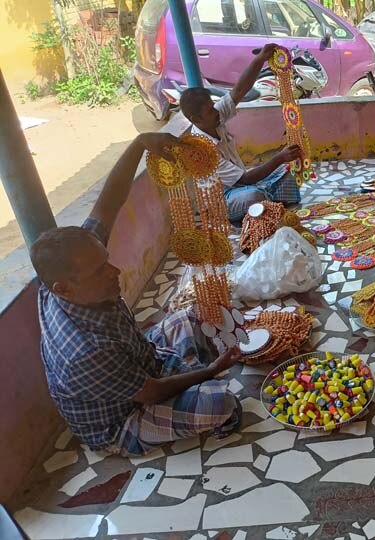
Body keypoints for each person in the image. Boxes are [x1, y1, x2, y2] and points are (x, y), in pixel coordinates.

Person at [31, 132, 244, 456]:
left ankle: (189, 373)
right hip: (121, 420)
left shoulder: (65, 272)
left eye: (106, 261)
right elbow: (151, 392)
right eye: (100, 272)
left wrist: (139, 143)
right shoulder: (85, 351)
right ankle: (195, 378)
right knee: (221, 403)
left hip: (141, 362)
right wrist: (211, 370)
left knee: (193, 315)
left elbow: (110, 202)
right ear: (64, 288)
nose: (114, 272)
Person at [180, 43, 302, 223]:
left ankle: (266, 205)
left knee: (285, 173)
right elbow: (244, 179)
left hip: (243, 183)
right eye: (209, 110)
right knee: (254, 195)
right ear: (195, 119)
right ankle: (264, 203)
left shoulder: (214, 116)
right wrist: (279, 157)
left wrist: (260, 59)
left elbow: (238, 91)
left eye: (212, 105)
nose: (215, 111)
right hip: (223, 199)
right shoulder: (201, 150)